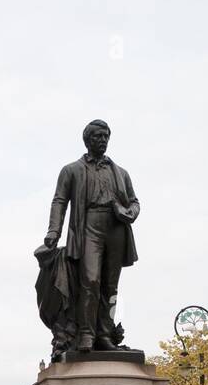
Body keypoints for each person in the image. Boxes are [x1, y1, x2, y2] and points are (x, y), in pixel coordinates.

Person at [42, 119, 140, 354]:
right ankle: (86, 334)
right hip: (89, 226)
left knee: (110, 284)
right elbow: (59, 201)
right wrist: (54, 231)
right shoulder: (71, 170)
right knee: (90, 281)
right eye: (98, 136)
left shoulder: (121, 173)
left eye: (106, 136)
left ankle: (104, 335)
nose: (103, 140)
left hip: (116, 227)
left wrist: (127, 212)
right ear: (87, 140)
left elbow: (135, 202)